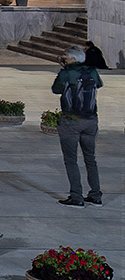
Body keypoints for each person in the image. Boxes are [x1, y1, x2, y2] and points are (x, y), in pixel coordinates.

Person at [52, 45, 102, 206]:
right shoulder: (92, 71)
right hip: (91, 120)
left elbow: (56, 89)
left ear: (73, 59)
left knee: (71, 159)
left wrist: (65, 73)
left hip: (71, 121)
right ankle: (95, 195)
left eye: (65, 55)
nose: (63, 58)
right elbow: (98, 85)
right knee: (90, 159)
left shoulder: (66, 73)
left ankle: (76, 196)